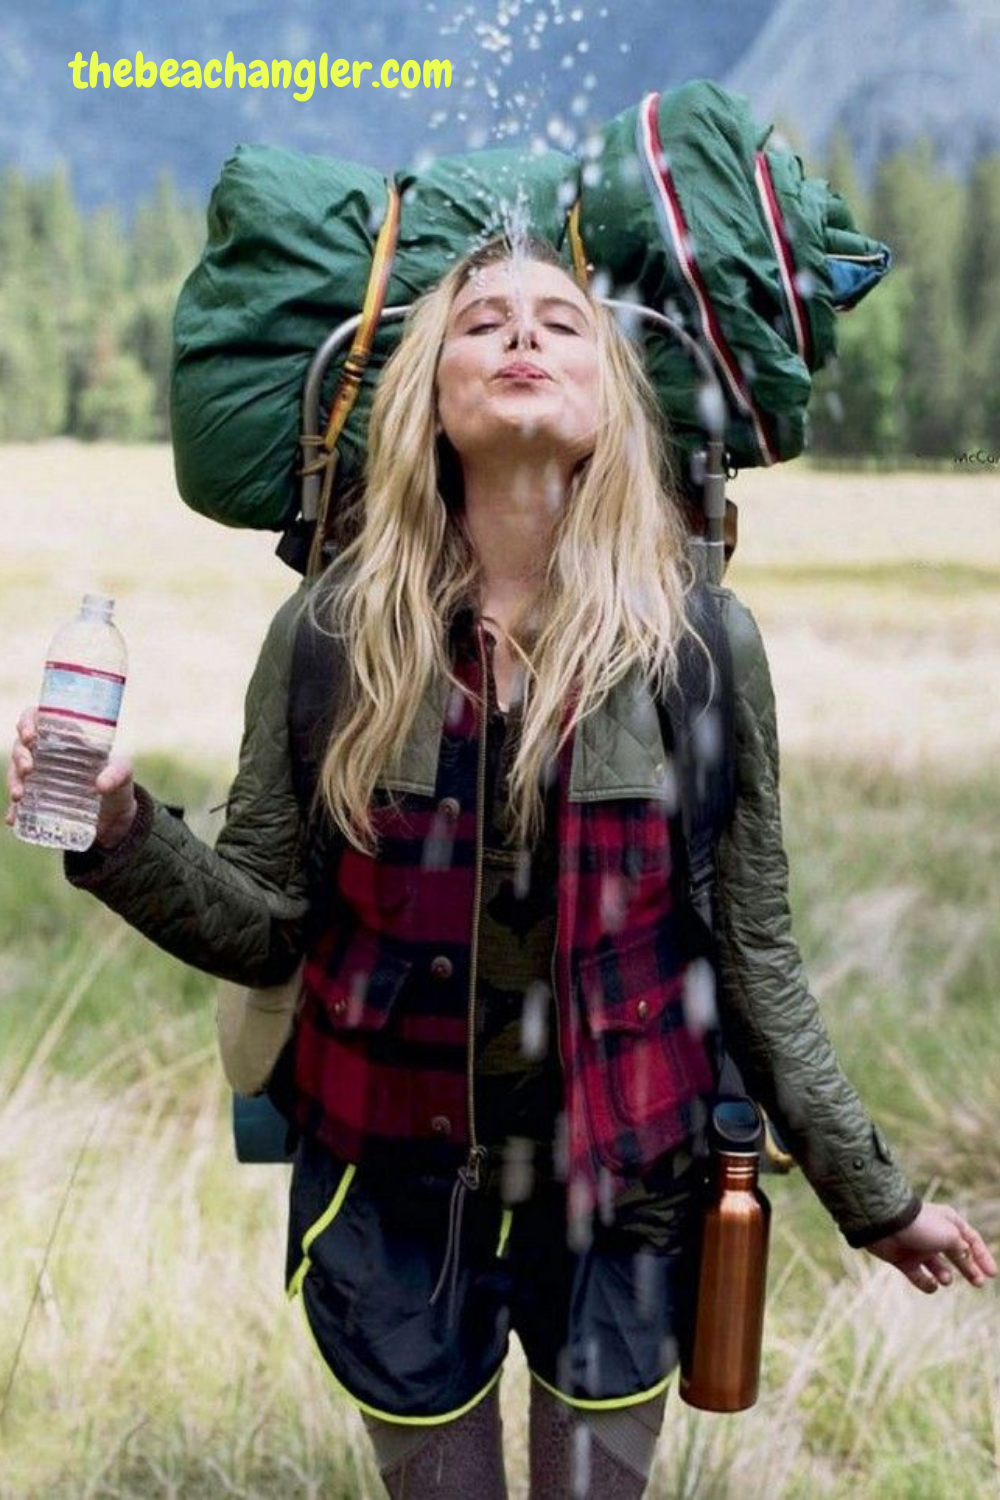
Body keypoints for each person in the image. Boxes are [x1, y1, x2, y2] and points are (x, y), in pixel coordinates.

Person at [6, 233, 995, 1499]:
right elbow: (260, 927)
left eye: (561, 323)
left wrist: (872, 1196)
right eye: (481, 323)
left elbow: (754, 954)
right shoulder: (329, 632)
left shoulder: (698, 642)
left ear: (608, 405)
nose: (522, 337)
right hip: (389, 1191)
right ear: (430, 390)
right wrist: (117, 825)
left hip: (629, 1196)